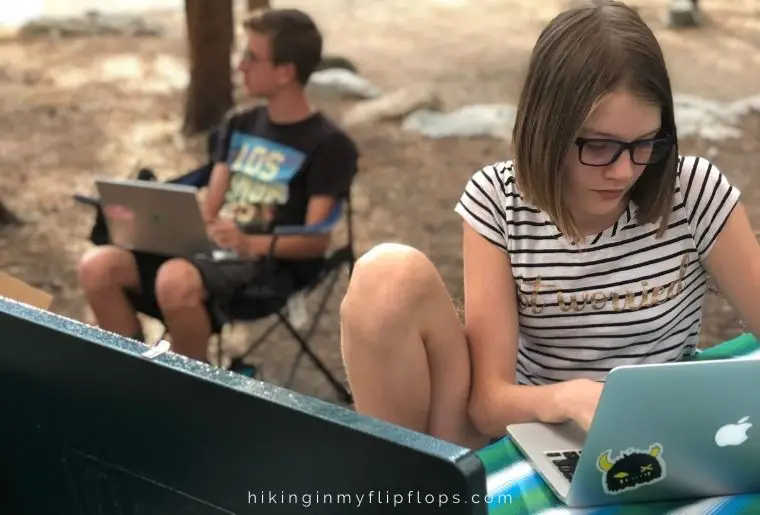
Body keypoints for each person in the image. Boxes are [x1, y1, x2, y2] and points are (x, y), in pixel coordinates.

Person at [340, 0, 760, 450]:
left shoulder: (692, 191)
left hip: (655, 434)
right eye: (599, 146)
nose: (623, 171)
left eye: (645, 144)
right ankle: (406, 491)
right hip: (533, 430)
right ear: (547, 128)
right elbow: (488, 402)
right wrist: (567, 398)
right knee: (386, 277)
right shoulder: (499, 200)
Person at [78, 8, 359, 362]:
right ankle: (131, 372)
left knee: (174, 279)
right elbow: (211, 205)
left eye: (252, 58)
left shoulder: (327, 145)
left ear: (286, 72)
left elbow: (315, 242)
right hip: (209, 248)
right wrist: (170, 225)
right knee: (98, 267)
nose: (240, 66)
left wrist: (247, 241)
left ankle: (188, 390)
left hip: (266, 265)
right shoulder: (240, 124)